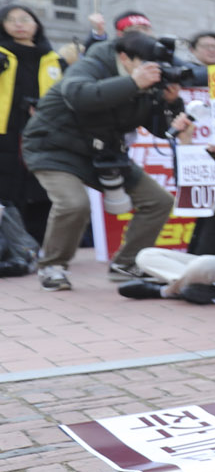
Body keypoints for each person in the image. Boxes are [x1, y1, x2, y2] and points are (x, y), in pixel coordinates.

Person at [20, 31, 183, 290]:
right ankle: (53, 265)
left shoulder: (149, 79)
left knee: (158, 201)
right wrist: (133, 83)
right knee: (74, 203)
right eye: (145, 64)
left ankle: (125, 264)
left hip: (104, 153)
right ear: (124, 57)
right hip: (54, 147)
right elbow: (79, 96)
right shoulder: (92, 64)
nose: (154, 71)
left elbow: (158, 127)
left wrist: (173, 105)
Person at [1, 4, 64, 241]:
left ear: (36, 24)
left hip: (45, 131)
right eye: (12, 19)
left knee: (42, 187)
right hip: (6, 131)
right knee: (7, 186)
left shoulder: (54, 59)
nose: (19, 24)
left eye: (25, 19)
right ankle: (10, 244)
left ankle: (38, 243)